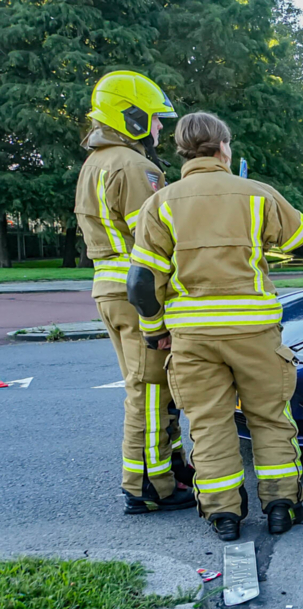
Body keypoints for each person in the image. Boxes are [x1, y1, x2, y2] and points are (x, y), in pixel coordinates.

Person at [126, 112, 303, 541]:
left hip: (193, 337)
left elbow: (141, 283)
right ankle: (283, 503)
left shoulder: (160, 203)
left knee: (208, 424)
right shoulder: (256, 195)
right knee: (269, 417)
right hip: (255, 333)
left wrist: (155, 330)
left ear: (183, 150)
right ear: (223, 147)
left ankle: (222, 513)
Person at [73, 70, 196, 514]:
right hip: (135, 292)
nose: (161, 127)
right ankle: (149, 485)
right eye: (155, 119)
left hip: (109, 289)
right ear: (131, 116)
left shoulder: (96, 162)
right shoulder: (133, 164)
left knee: (154, 386)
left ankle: (172, 465)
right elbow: (157, 235)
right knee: (147, 389)